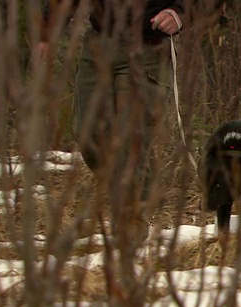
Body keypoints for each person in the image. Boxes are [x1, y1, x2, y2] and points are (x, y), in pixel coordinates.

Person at [38, 1, 193, 246]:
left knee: (131, 137)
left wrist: (180, 13)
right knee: (88, 134)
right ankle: (140, 184)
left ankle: (131, 224)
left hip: (148, 47)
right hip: (99, 43)